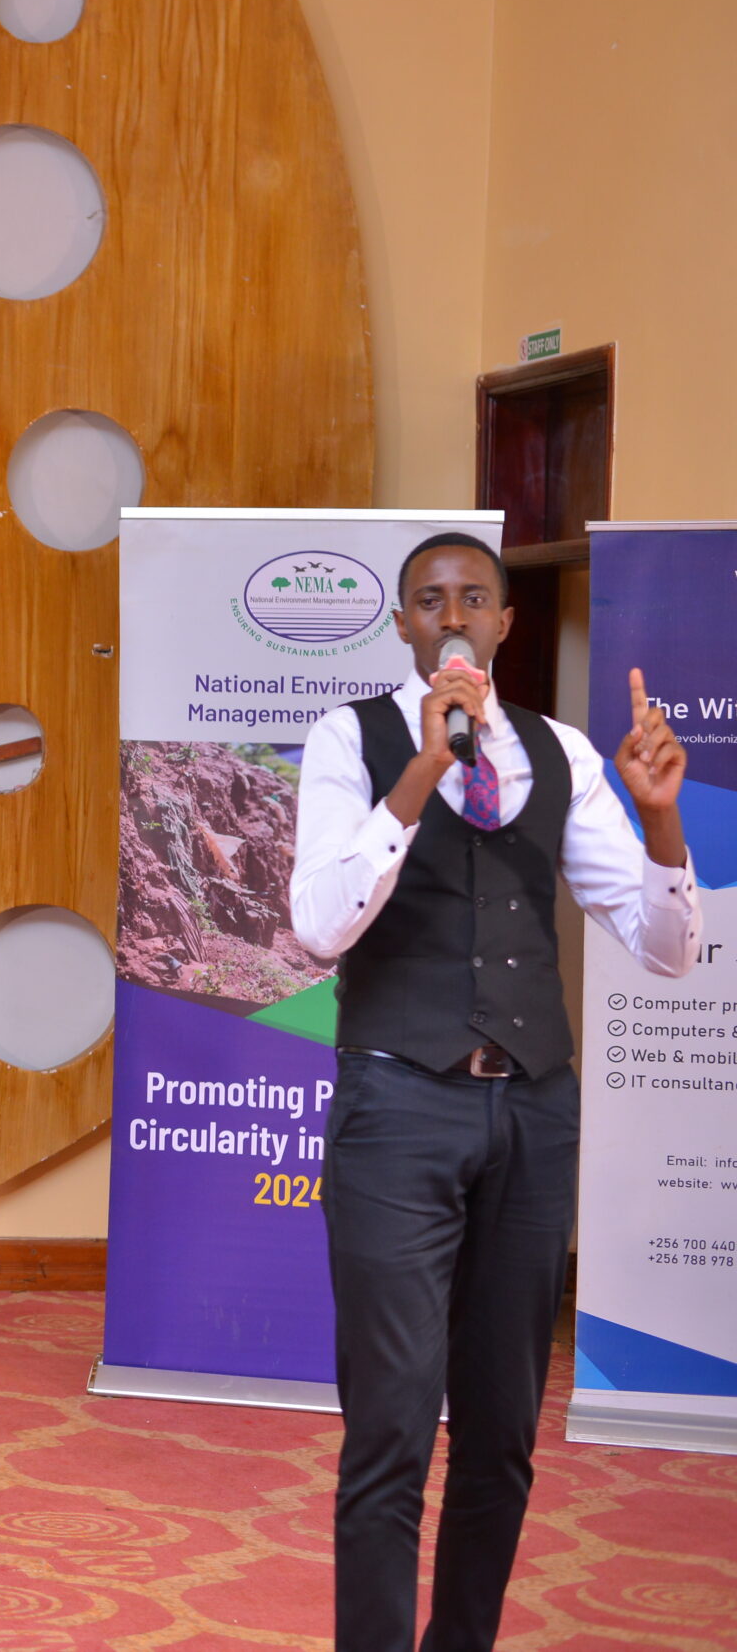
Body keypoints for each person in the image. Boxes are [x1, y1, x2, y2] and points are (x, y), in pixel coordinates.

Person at [289, 532, 700, 1651]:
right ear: (403, 625)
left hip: (531, 1111)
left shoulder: (561, 753)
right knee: (390, 1428)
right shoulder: (350, 739)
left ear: (505, 623)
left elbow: (667, 950)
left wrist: (662, 820)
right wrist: (422, 771)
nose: (454, 617)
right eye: (430, 601)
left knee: (502, 1433)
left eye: (474, 598)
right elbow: (318, 926)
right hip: (395, 1112)